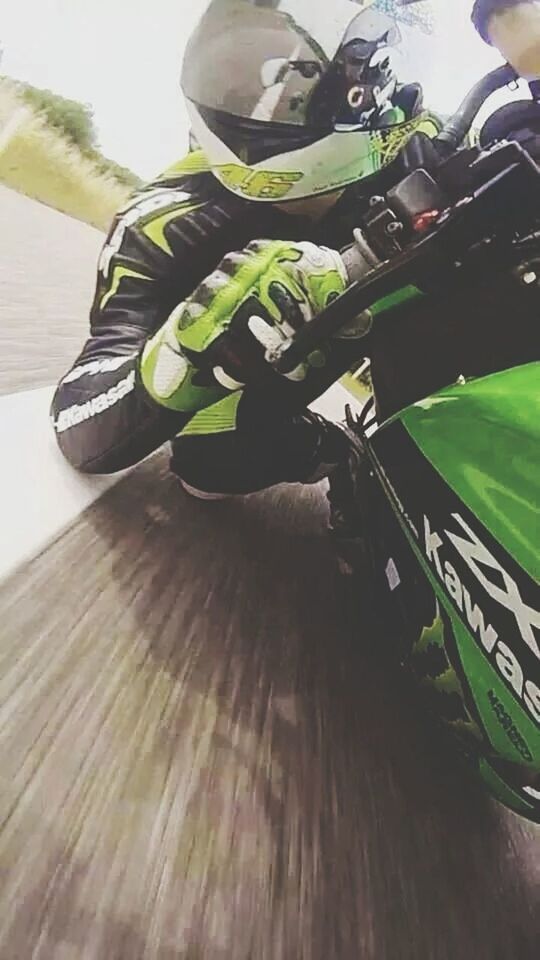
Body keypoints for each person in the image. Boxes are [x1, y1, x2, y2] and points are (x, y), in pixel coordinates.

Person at [51, 0, 446, 499]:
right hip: (270, 376)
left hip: (414, 332)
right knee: (210, 466)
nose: (254, 101)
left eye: (290, 87)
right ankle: (343, 451)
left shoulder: (427, 151)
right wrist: (180, 356)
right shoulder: (158, 224)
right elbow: (79, 417)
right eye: (235, 77)